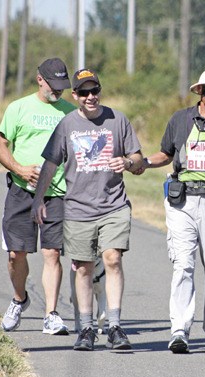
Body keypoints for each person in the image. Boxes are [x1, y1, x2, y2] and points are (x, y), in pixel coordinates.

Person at [135, 67, 205, 354]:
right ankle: (179, 330)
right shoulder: (180, 120)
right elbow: (167, 154)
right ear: (200, 92)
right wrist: (144, 163)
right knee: (183, 264)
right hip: (182, 203)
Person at [32, 68, 143, 351]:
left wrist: (128, 163)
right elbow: (50, 164)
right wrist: (38, 199)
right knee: (83, 268)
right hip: (78, 209)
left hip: (113, 205)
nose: (91, 96)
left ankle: (114, 326)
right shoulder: (67, 125)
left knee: (112, 258)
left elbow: (138, 158)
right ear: (75, 95)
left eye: (95, 90)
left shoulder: (118, 120)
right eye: (84, 93)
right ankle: (86, 328)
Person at [0, 57, 75, 335]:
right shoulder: (18, 108)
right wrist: (19, 169)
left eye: (63, 85)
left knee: (52, 253)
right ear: (40, 79)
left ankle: (51, 314)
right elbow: (0, 146)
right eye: (54, 84)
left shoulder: (71, 113)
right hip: (22, 191)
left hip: (56, 193)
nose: (59, 90)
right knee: (16, 254)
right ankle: (19, 299)